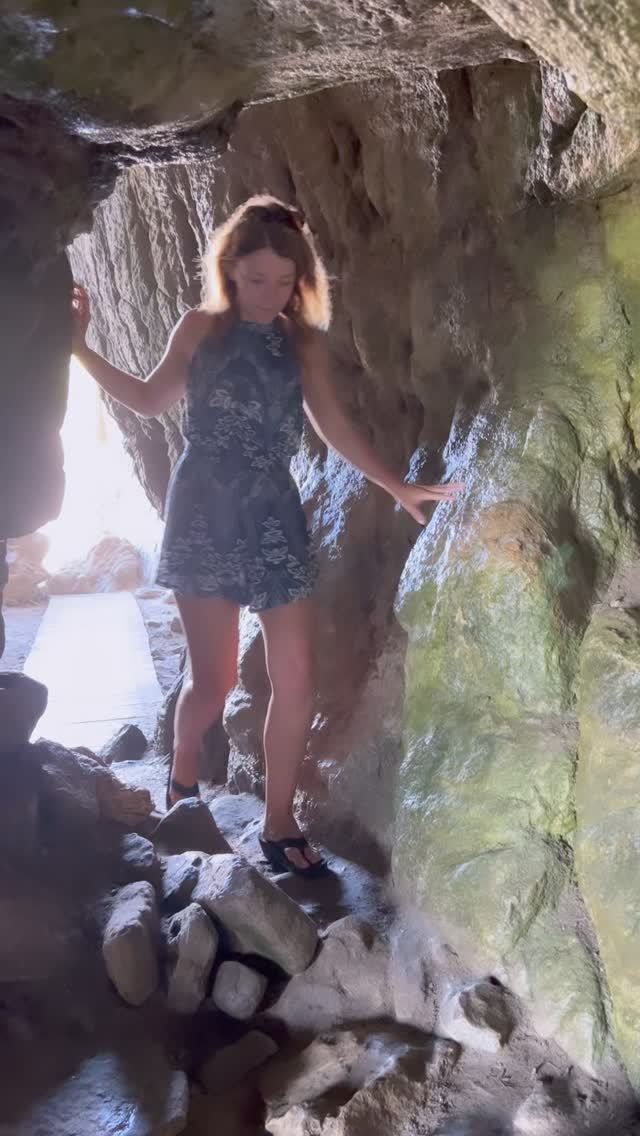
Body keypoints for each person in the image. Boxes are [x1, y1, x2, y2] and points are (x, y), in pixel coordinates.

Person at [71, 195, 462, 877]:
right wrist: (78, 347)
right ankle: (183, 767)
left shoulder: (299, 340)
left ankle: (279, 821)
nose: (269, 294)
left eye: (284, 282)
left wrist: (394, 484)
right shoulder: (199, 327)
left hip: (273, 510)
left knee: (297, 676)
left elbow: (331, 424)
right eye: (256, 279)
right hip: (204, 507)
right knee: (215, 682)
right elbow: (149, 400)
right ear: (230, 269)